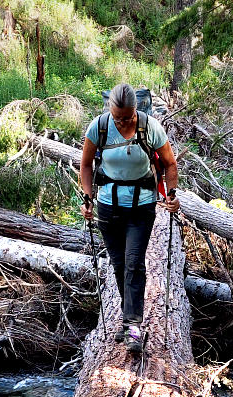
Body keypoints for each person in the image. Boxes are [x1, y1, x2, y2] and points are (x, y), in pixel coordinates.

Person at [79, 83, 180, 350]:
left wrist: (172, 194)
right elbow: (86, 165)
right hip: (108, 208)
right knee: (119, 265)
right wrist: (87, 198)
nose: (123, 121)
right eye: (117, 117)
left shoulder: (151, 127)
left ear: (136, 109)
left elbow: (170, 163)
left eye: (128, 116)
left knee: (134, 263)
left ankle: (133, 326)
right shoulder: (98, 127)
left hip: (142, 206)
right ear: (110, 111)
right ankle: (128, 320)